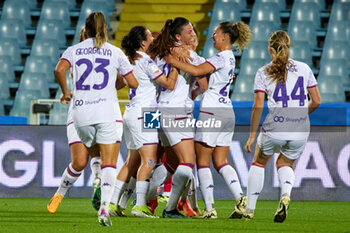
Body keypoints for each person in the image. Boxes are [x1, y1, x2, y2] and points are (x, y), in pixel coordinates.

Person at [54, 12, 138, 226]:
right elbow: (133, 83)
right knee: (110, 162)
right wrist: (115, 81)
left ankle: (97, 178)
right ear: (105, 28)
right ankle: (104, 210)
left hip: (80, 115)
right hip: (107, 113)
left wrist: (65, 92)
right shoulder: (114, 52)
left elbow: (59, 70)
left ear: (86, 29)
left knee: (94, 156)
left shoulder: (73, 50)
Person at [166, 21, 252, 218]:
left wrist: (172, 60)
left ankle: (210, 208)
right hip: (227, 112)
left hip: (211, 111)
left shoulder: (221, 57)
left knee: (202, 163)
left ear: (225, 37)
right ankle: (240, 198)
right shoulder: (230, 58)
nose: (213, 36)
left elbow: (197, 72)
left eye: (216, 33)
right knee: (221, 161)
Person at [243, 30, 321, 222]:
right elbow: (317, 101)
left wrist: (252, 135)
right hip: (300, 128)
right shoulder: (304, 68)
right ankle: (285, 196)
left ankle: (250, 210)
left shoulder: (263, 72)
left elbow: (258, 105)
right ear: (288, 46)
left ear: (270, 48)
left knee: (259, 162)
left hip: (276, 127)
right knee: (285, 163)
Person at [109, 26, 179, 218]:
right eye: (149, 37)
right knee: (150, 161)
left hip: (131, 112)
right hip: (147, 112)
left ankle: (114, 204)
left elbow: (119, 84)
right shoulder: (146, 61)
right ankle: (140, 205)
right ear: (143, 42)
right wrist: (176, 66)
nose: (152, 40)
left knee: (132, 161)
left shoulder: (129, 60)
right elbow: (169, 84)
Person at [148, 17, 207, 218]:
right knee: (188, 163)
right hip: (176, 111)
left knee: (169, 163)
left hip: (156, 111)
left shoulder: (160, 53)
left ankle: (146, 200)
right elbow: (205, 84)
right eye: (189, 31)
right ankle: (171, 208)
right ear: (177, 36)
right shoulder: (189, 55)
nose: (193, 34)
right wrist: (194, 93)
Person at [47, 28, 102, 214]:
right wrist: (65, 93)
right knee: (79, 162)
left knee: (98, 154)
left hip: (99, 112)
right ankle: (59, 195)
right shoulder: (75, 53)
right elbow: (65, 72)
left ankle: (98, 188)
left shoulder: (107, 53)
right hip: (78, 112)